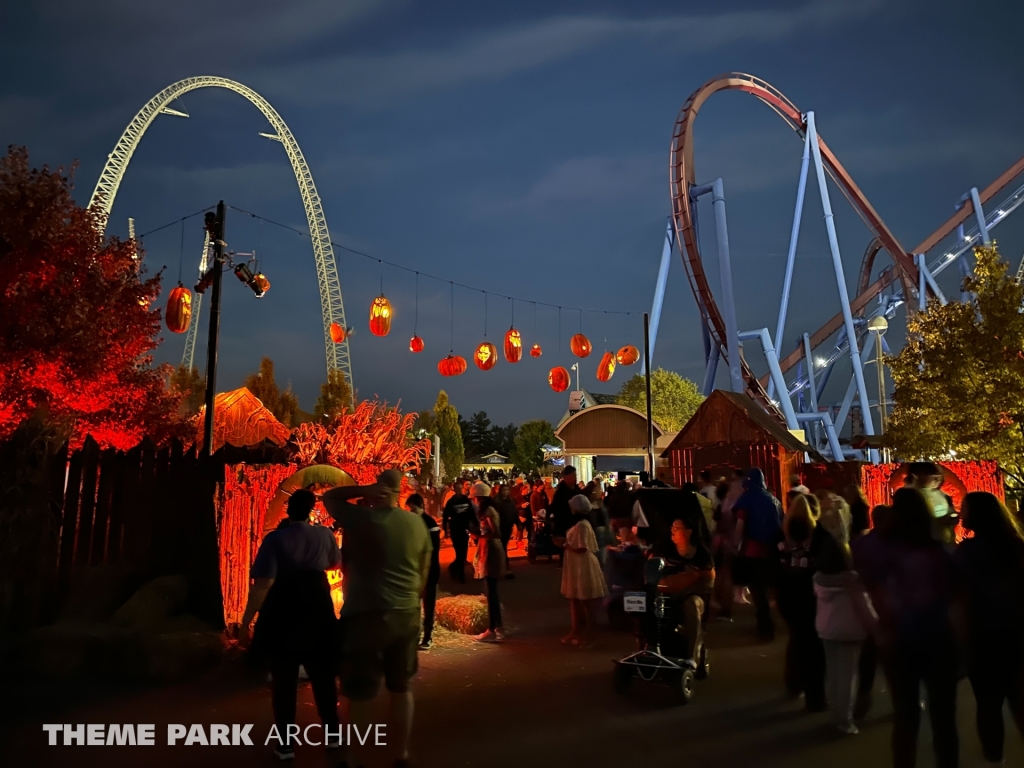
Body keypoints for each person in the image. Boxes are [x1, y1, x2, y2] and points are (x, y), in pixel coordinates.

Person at [322, 470, 432, 768]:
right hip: (407, 613)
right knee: (401, 687)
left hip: (366, 615)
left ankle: (352, 757)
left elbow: (329, 497)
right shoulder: (416, 523)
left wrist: (364, 488)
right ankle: (401, 754)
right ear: (401, 491)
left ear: (378, 489)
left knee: (358, 692)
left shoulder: (362, 520)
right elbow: (424, 570)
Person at [241, 490, 341, 761]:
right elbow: (334, 562)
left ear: (288, 510)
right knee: (323, 675)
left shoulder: (275, 540)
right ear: (310, 510)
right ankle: (333, 737)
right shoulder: (324, 535)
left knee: (283, 680)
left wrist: (246, 620)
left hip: (283, 609)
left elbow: (263, 584)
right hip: (317, 606)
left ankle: (285, 745)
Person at [865, 488, 958, 768]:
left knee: (905, 718)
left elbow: (874, 592)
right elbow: (954, 597)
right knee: (944, 717)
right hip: (938, 638)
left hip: (899, 640)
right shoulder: (938, 551)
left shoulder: (882, 553)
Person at [955, 491, 1024, 766]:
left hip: (982, 637)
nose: (960, 512)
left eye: (963, 508)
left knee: (988, 704)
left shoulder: (967, 553)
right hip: (1017, 633)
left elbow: (960, 600)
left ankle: (995, 759)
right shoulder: (1017, 546)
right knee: (1019, 699)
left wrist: (960, 642)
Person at [813, 527, 876, 734]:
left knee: (833, 674)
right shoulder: (853, 581)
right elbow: (863, 607)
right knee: (848, 677)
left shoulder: (819, 580)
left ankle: (835, 714)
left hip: (827, 630)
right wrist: (875, 626)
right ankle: (844, 720)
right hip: (850, 631)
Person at [776, 493, 827, 711]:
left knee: (796, 638)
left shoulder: (782, 534)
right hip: (810, 593)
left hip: (787, 593)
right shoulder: (818, 535)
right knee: (813, 646)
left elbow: (775, 564)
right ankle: (814, 695)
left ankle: (794, 683)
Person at [850, 504, 894, 720]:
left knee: (869, 654)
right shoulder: (897, 544)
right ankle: (899, 699)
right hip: (892, 605)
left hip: (869, 604)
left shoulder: (862, 544)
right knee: (892, 656)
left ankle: (863, 695)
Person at [733, 468, 784, 640]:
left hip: (753, 551)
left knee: (758, 591)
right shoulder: (774, 500)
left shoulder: (746, 499)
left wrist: (735, 545)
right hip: (773, 551)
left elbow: (740, 524)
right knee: (770, 590)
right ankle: (773, 625)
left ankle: (765, 626)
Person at [656, 515, 716, 663]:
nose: (673, 531)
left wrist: (690, 579)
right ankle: (650, 648)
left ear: (688, 532)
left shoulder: (701, 553)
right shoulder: (666, 549)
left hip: (693, 595)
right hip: (667, 594)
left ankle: (691, 656)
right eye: (672, 528)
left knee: (692, 605)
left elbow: (709, 580)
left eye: (677, 528)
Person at [560, 494, 608, 647]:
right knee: (574, 598)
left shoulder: (582, 525)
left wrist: (564, 545)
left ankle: (590, 634)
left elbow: (582, 548)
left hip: (582, 563)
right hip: (575, 563)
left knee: (586, 601)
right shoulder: (581, 523)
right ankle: (575, 632)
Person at [470, 481, 506, 642]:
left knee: (492, 592)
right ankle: (494, 627)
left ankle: (495, 628)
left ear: (479, 497)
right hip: (488, 549)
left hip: (491, 551)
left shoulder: (489, 511)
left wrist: (478, 536)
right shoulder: (488, 510)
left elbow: (496, 532)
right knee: (490, 591)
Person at [406, 493, 440, 651]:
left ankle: (427, 635)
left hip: (429, 570)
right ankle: (415, 635)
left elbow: (432, 550)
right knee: (414, 605)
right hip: (414, 570)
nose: (411, 513)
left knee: (428, 604)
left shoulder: (429, 523)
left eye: (412, 509)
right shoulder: (413, 523)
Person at [442, 478, 474, 583]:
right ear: (454, 489)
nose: (460, 490)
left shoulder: (466, 500)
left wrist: (474, 525)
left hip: (464, 529)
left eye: (461, 488)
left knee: (463, 553)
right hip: (455, 529)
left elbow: (471, 513)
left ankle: (453, 567)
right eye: (457, 489)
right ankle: (460, 574)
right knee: (459, 552)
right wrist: (446, 531)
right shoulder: (451, 502)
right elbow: (445, 516)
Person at [549, 466, 579, 561]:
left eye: (575, 475)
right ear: (566, 477)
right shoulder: (560, 493)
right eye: (572, 475)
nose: (575, 478)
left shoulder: (575, 489)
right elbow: (556, 508)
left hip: (575, 522)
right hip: (565, 524)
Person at [495, 483, 519, 578]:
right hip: (499, 527)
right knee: (501, 548)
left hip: (508, 527)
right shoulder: (496, 501)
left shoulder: (511, 501)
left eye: (507, 490)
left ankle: (504, 567)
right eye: (504, 490)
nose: (505, 492)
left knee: (503, 547)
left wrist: (518, 523)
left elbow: (514, 513)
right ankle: (503, 567)